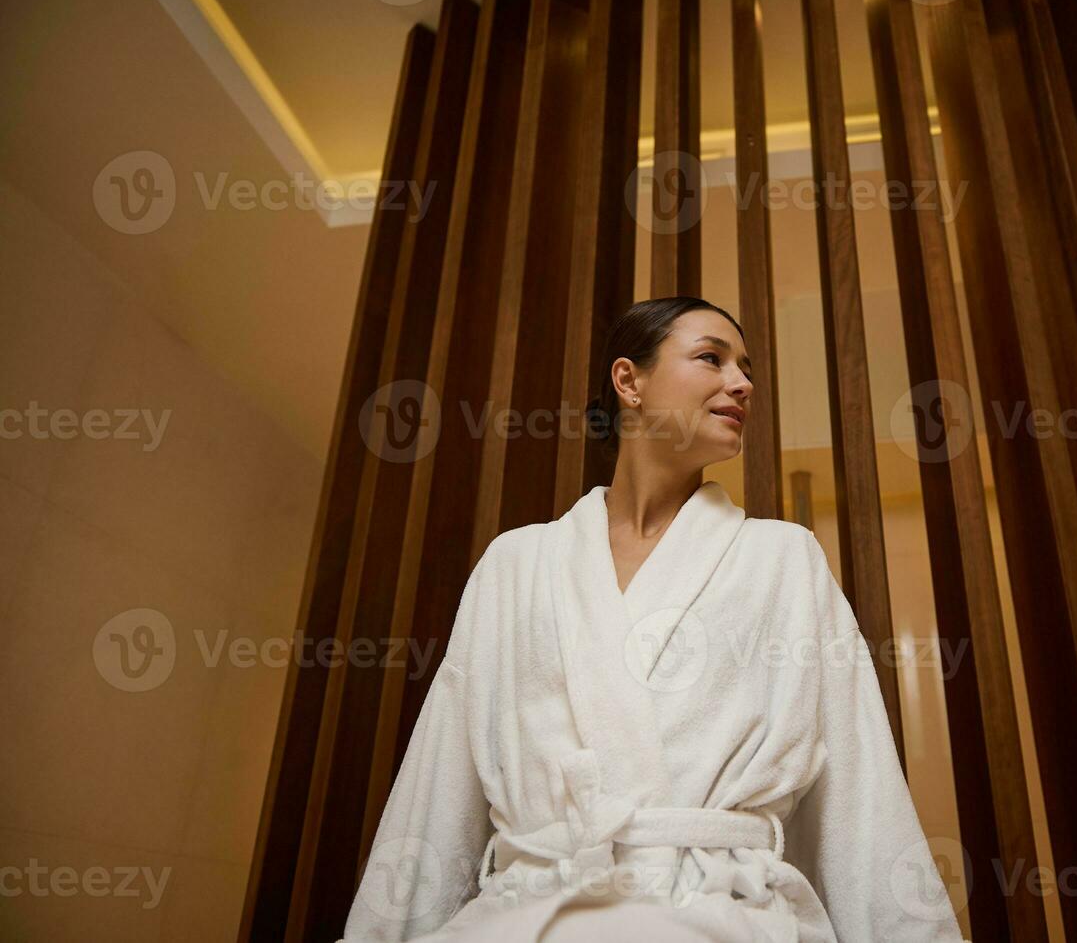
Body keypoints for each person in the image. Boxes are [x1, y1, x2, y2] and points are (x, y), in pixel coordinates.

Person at [342, 298, 963, 942]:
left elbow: (857, 786)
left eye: (746, 368)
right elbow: (442, 781)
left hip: (717, 917)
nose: (742, 383)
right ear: (628, 381)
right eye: (710, 358)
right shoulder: (516, 564)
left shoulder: (782, 558)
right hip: (531, 917)